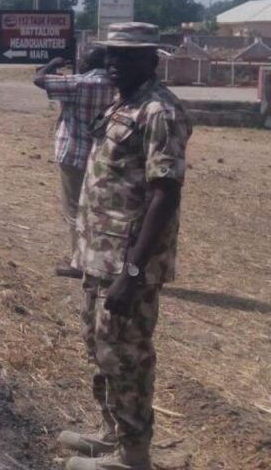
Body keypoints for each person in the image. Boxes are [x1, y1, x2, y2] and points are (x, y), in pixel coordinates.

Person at [59, 23, 192, 470]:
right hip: (101, 255)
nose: (113, 62)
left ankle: (133, 456)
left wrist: (132, 275)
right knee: (99, 347)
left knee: (127, 357)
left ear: (151, 60)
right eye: (111, 53)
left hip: (128, 264)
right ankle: (110, 432)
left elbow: (165, 194)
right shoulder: (125, 102)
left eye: (126, 56)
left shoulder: (160, 111)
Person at [34, 46, 115, 278]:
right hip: (104, 156)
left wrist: (53, 63)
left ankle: (79, 262)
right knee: (101, 210)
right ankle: (103, 259)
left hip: (74, 154)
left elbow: (39, 79)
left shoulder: (78, 83)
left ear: (87, 64)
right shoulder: (117, 85)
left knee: (75, 210)